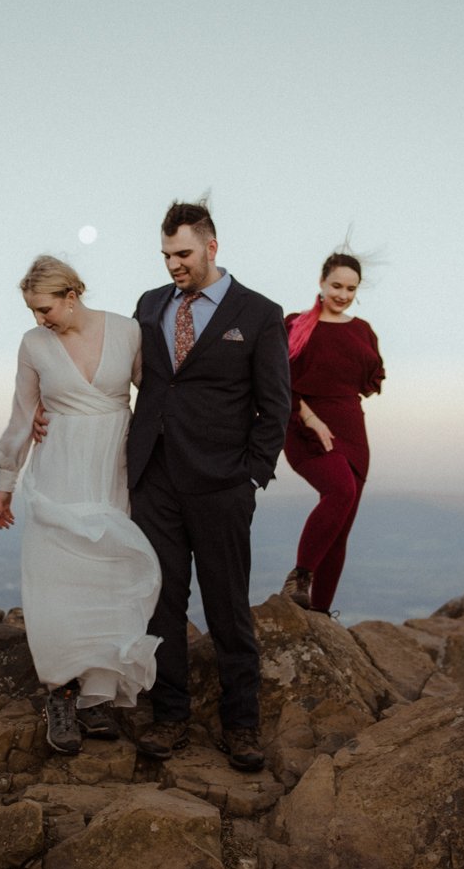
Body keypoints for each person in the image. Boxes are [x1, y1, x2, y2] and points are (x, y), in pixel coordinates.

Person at [125, 200, 291, 771]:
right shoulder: (149, 306)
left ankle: (242, 724)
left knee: (226, 603)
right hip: (154, 477)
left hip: (223, 482)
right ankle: (169, 717)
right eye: (167, 255)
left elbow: (276, 405)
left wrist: (252, 475)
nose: (174, 265)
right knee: (162, 602)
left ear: (212, 247)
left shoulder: (262, 313)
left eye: (184, 254)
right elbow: (131, 378)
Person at [0, 256, 161, 755]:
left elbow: (150, 395)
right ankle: (61, 693)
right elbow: (23, 414)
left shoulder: (128, 331)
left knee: (109, 575)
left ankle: (98, 696)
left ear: (71, 295)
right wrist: (6, 479)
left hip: (112, 470)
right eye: (31, 310)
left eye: (44, 307)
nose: (38, 318)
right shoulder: (34, 344)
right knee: (58, 577)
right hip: (59, 470)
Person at [278, 252, 385, 619]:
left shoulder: (363, 330)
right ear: (322, 282)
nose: (342, 294)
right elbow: (278, 382)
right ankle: (300, 578)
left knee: (341, 528)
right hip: (305, 428)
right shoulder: (295, 324)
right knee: (340, 490)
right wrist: (312, 419)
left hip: (353, 431)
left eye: (351, 288)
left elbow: (366, 382)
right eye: (336, 285)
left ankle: (319, 615)